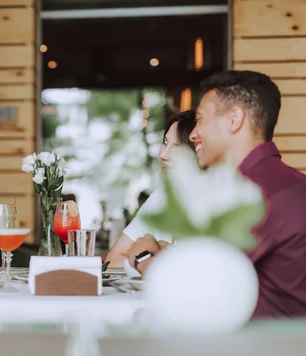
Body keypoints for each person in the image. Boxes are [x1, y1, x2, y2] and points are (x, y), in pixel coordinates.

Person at [129, 70, 306, 318]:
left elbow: (197, 294)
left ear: (234, 119)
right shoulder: (283, 182)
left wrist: (144, 258)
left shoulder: (252, 193)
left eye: (201, 119)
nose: (192, 133)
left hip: (266, 348)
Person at [104, 110, 196, 269]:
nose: (162, 154)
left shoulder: (216, 201)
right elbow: (111, 262)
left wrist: (148, 256)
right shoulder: (160, 196)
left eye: (176, 147)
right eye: (165, 142)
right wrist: (154, 255)